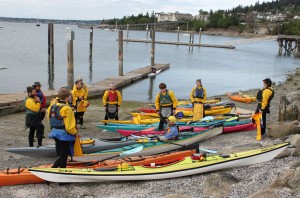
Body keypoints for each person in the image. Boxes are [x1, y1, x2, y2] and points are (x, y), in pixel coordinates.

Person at [48, 87, 78, 168]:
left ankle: (56, 171)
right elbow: (69, 127)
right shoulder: (67, 109)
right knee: (64, 155)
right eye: (69, 96)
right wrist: (75, 133)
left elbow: (49, 118)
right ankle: (57, 171)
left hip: (55, 133)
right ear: (67, 97)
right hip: (64, 135)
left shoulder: (52, 106)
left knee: (61, 154)